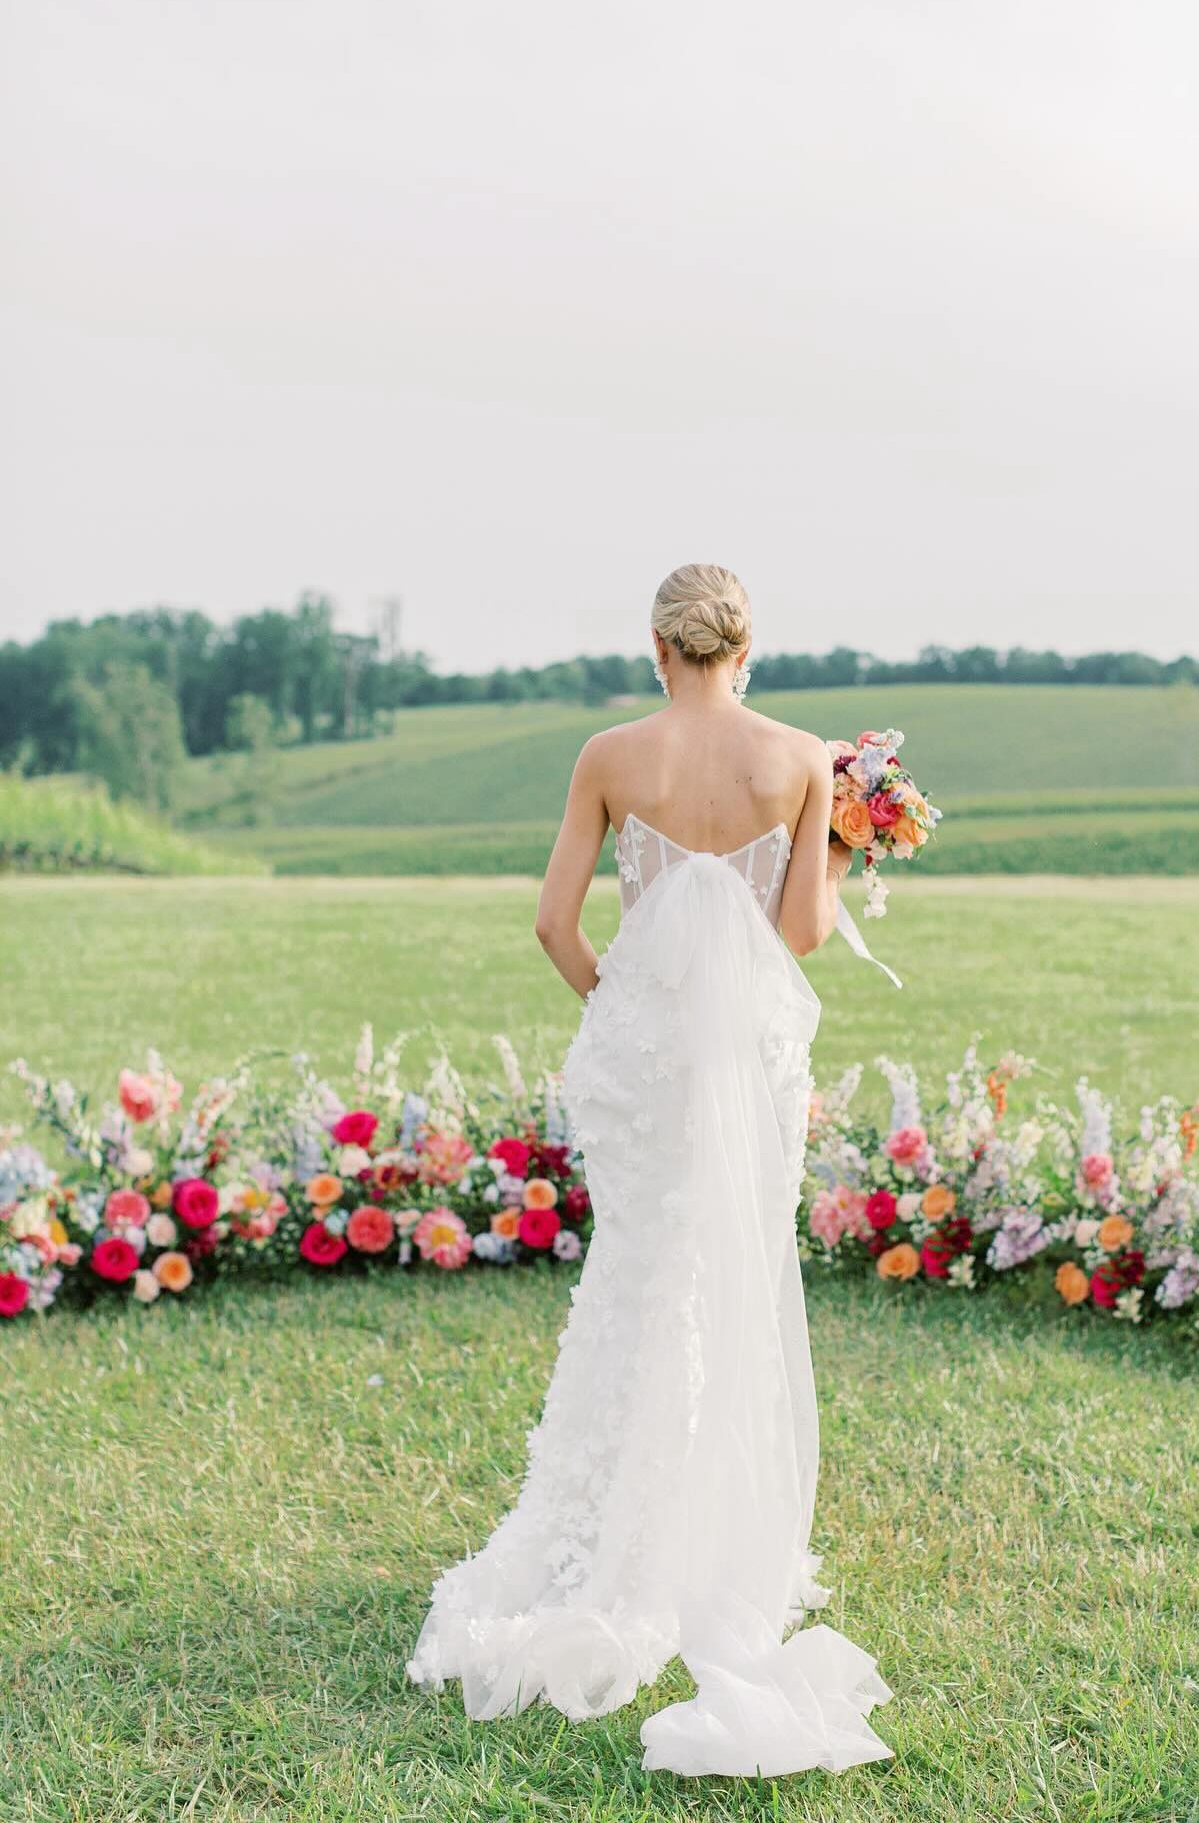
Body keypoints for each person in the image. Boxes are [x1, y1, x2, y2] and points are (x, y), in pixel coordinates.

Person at [407, 563, 893, 1777]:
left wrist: (622, 1010)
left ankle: (618, 1534)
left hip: (642, 1061)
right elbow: (798, 934)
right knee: (724, 1270)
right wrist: (844, 845)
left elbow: (553, 923)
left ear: (657, 646)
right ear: (747, 646)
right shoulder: (796, 762)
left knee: (640, 1273)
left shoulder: (610, 755)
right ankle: (711, 1538)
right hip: (748, 1061)